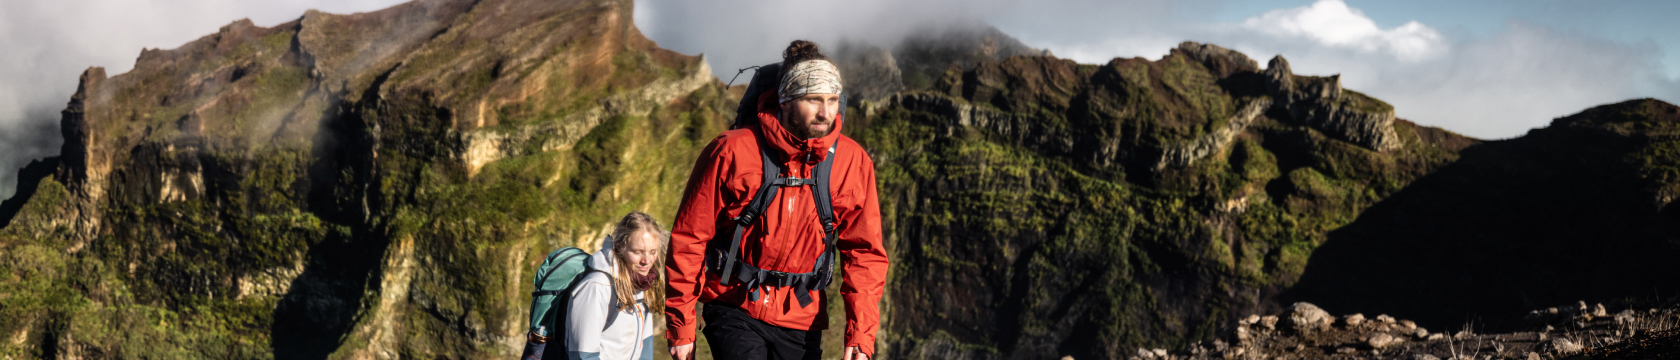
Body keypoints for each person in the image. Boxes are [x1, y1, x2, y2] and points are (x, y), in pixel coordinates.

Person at [665, 40, 890, 360]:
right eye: (813, 100)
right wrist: (681, 325)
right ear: (785, 100)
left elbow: (865, 253)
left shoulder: (852, 162)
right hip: (734, 305)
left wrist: (861, 334)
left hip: (802, 318)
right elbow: (690, 237)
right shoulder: (731, 151)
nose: (826, 113)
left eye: (832, 100)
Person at [565, 212, 668, 360]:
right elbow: (583, 355)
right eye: (637, 252)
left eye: (653, 252)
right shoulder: (597, 286)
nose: (646, 261)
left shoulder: (642, 285)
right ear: (619, 246)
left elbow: (645, 350)